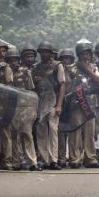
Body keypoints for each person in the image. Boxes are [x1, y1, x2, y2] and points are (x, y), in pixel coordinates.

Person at [33, 41, 65, 170]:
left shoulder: (58, 65)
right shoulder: (36, 68)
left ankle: (53, 160)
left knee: (53, 131)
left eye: (46, 51)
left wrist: (59, 105)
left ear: (51, 53)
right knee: (41, 132)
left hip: (53, 101)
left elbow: (62, 85)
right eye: (42, 52)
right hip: (41, 102)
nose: (44, 54)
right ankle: (44, 159)